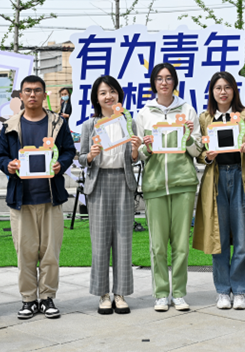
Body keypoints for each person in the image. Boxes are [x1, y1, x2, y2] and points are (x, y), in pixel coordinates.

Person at [0, 75, 76, 320]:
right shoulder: (10, 125)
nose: (32, 95)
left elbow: (69, 150)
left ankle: (47, 297)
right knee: (25, 253)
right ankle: (28, 299)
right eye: (28, 91)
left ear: (44, 94)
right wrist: (8, 165)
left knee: (50, 253)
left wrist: (61, 164)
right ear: (21, 95)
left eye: (37, 90)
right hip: (22, 199)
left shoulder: (57, 123)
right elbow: (0, 156)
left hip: (51, 197)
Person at [192, 72, 245, 310]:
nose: (223, 92)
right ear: (212, 92)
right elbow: (199, 152)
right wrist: (207, 156)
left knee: (242, 239)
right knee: (219, 238)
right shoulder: (205, 118)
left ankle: (240, 290)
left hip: (241, 177)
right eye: (218, 88)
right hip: (215, 180)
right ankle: (223, 291)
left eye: (227, 87)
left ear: (234, 90)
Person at [135, 62, 202, 312]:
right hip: (154, 185)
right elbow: (140, 154)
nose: (164, 82)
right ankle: (161, 293)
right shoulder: (144, 113)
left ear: (175, 82)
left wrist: (188, 138)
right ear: (153, 83)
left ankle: (180, 293)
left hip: (183, 184)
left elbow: (197, 150)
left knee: (181, 245)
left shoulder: (188, 110)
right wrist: (146, 147)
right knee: (158, 246)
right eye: (159, 78)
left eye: (168, 78)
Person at [78, 75, 141, 315]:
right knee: (100, 242)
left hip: (123, 182)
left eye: (112, 91)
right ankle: (103, 293)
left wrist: (135, 150)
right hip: (99, 183)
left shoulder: (128, 122)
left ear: (119, 95)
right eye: (103, 92)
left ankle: (120, 293)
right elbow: (81, 158)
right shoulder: (90, 125)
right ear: (96, 97)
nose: (108, 96)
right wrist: (91, 155)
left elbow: (134, 158)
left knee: (124, 240)